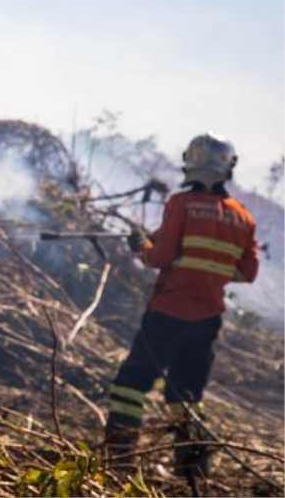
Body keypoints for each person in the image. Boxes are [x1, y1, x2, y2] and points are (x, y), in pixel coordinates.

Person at [104, 133, 259, 479]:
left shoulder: (181, 204)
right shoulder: (242, 218)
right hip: (207, 320)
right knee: (185, 398)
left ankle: (119, 465)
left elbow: (160, 257)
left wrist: (140, 247)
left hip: (167, 313)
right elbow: (247, 272)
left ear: (190, 162)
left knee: (130, 385)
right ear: (227, 168)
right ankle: (193, 476)